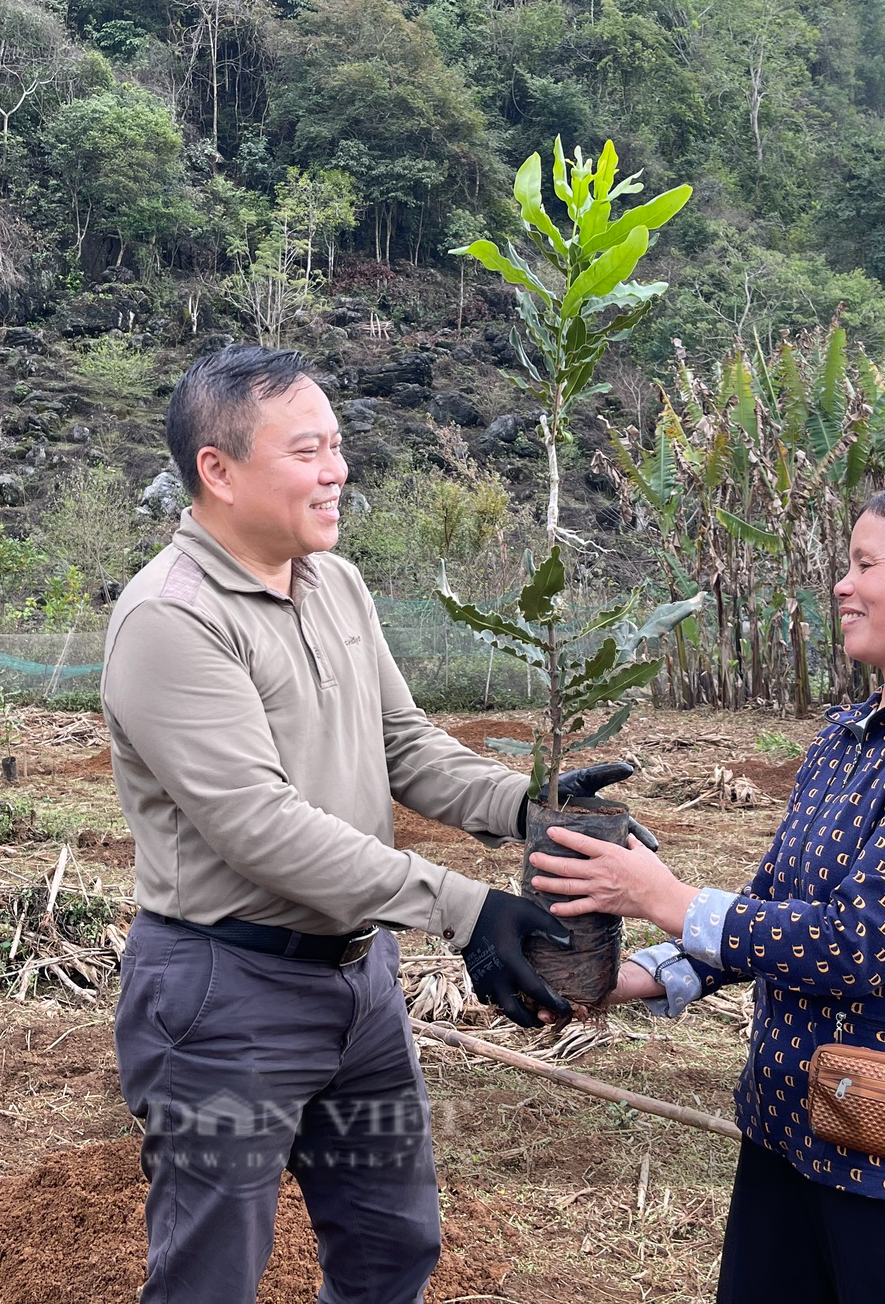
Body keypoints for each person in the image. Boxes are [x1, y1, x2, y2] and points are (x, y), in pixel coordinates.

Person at [102, 344, 626, 1304]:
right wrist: (464, 908)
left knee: (392, 1244)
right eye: (308, 451)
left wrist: (524, 804)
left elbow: (404, 744)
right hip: (228, 1003)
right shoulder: (169, 623)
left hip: (357, 992)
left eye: (337, 446)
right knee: (210, 1277)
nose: (338, 471)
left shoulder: (333, 583)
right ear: (217, 472)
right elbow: (261, 828)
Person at [529, 478, 885, 1304]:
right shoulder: (846, 737)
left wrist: (659, 893)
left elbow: (851, 945)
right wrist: (635, 977)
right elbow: (771, 909)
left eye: (864, 564)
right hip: (790, 1132)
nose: (841, 585)